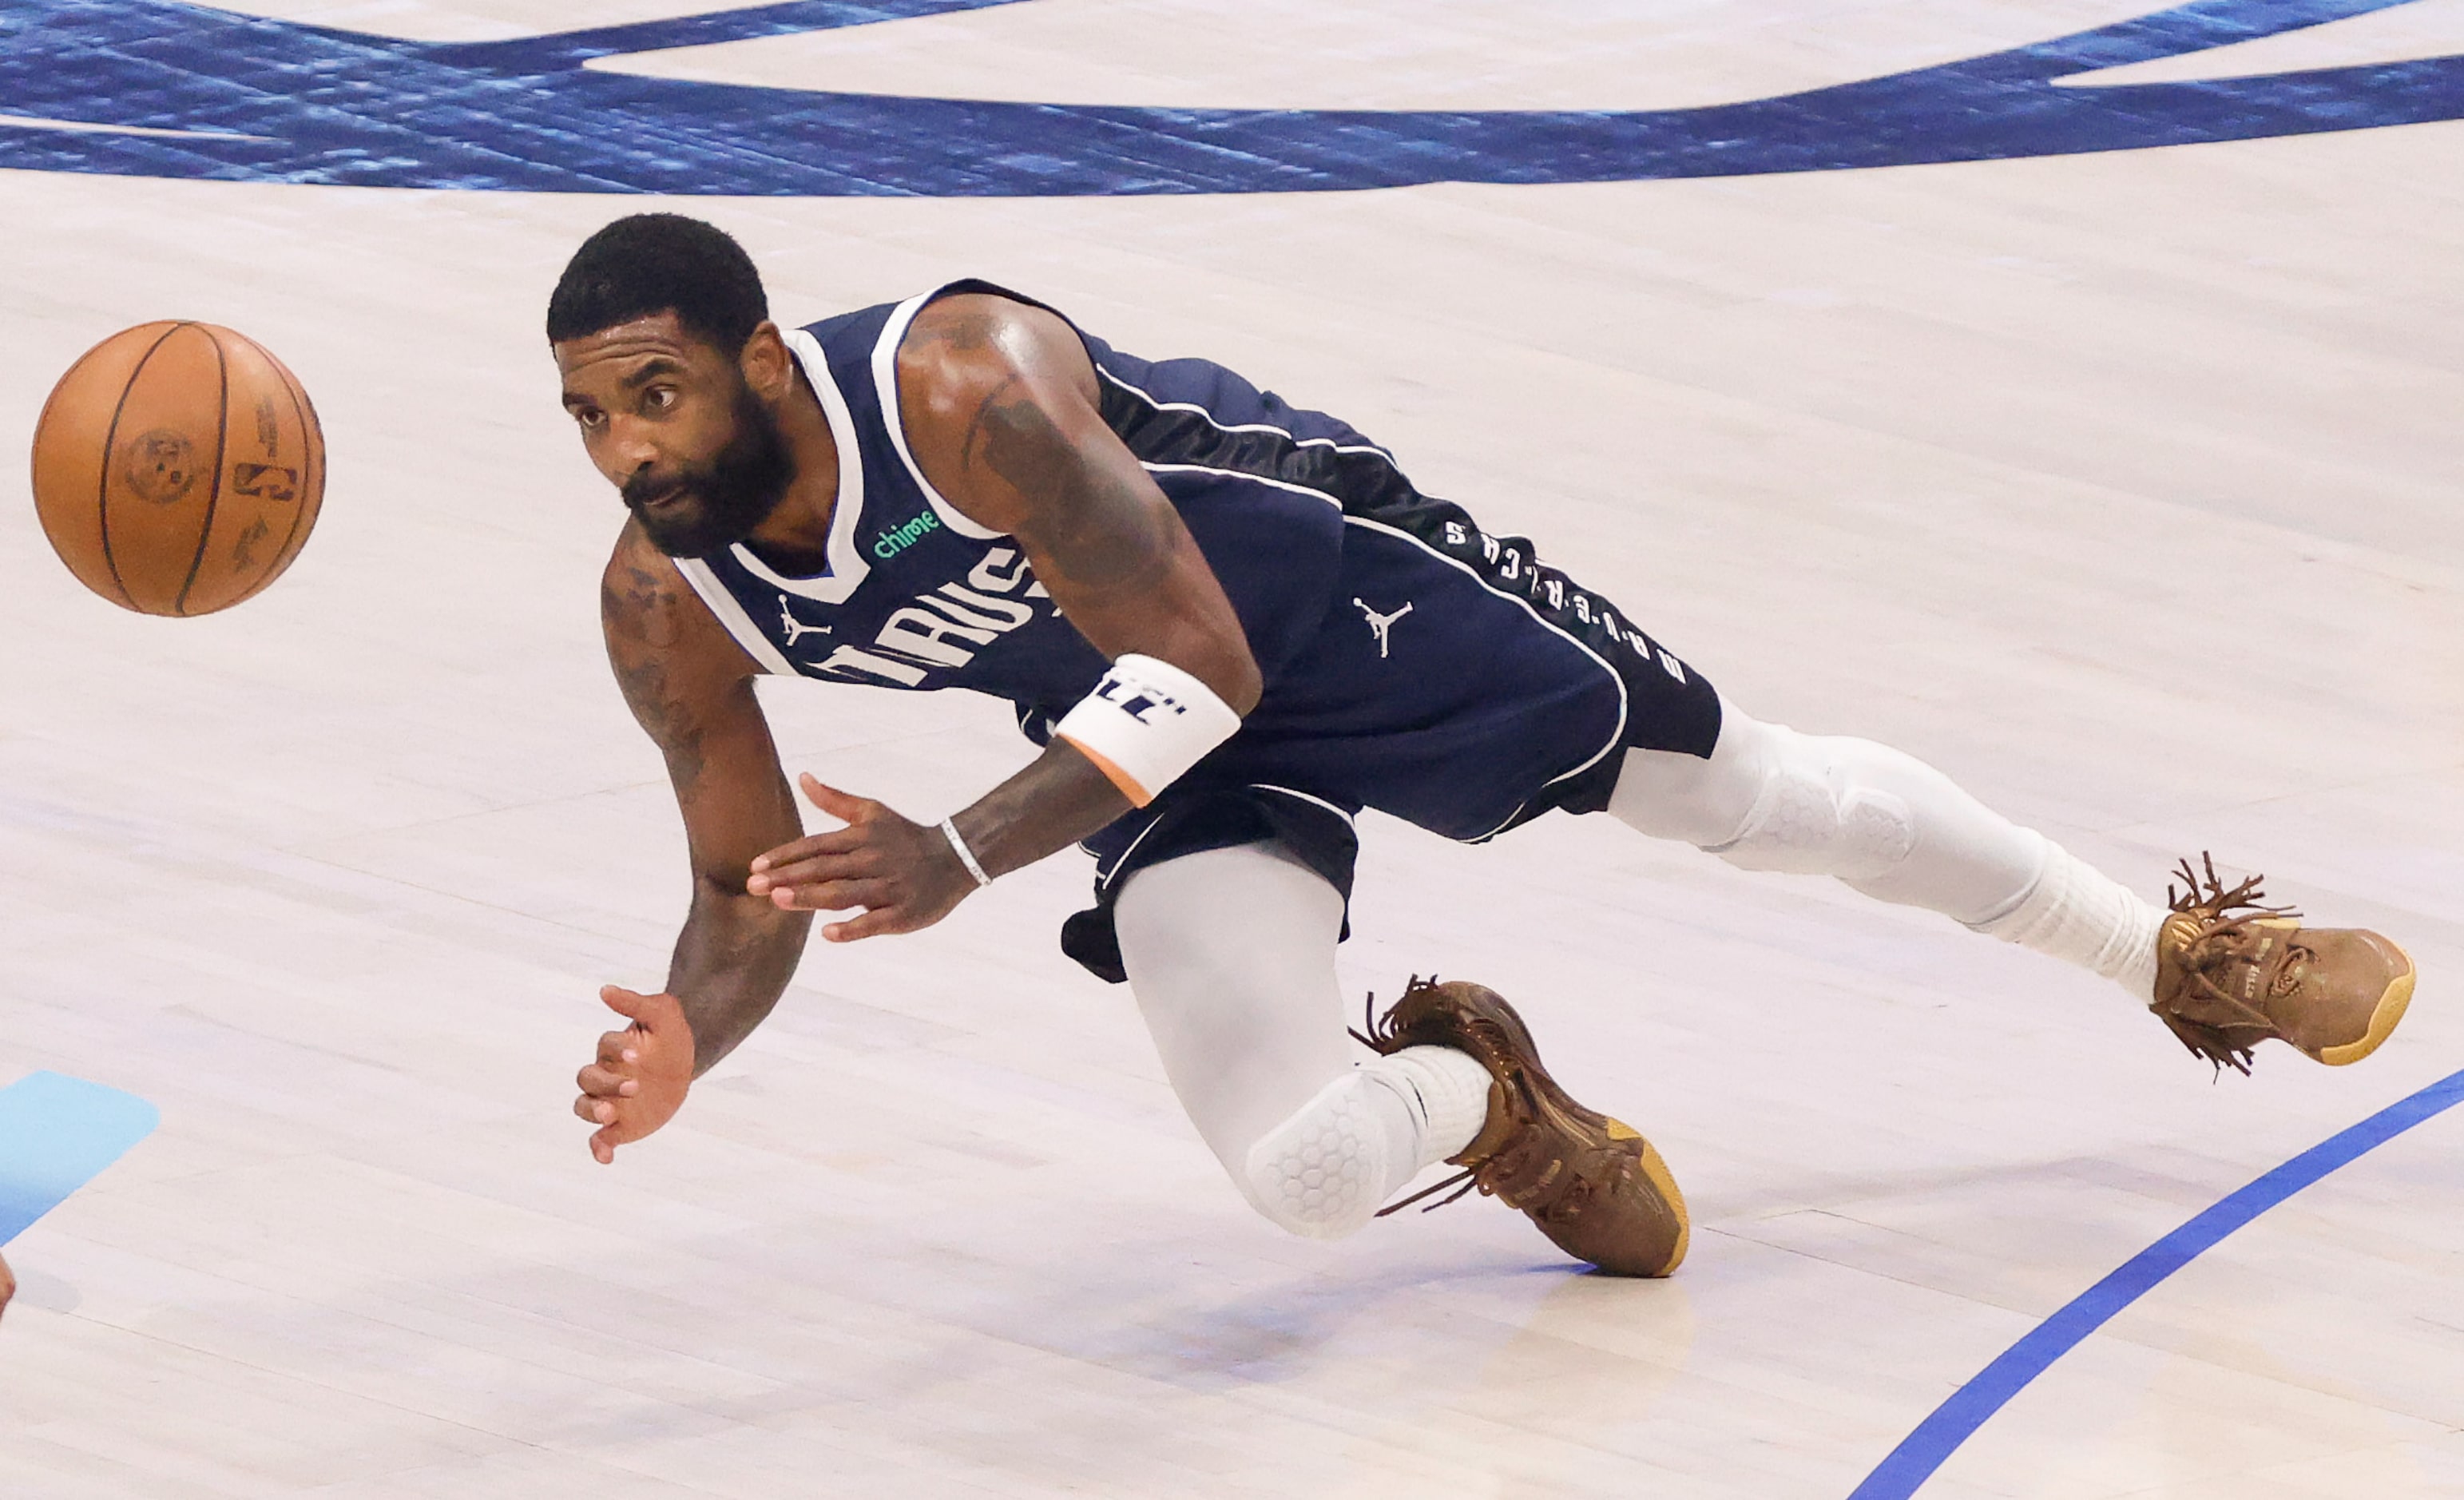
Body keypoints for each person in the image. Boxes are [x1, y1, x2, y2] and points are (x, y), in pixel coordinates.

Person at [552, 214, 2414, 1276]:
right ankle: (1493, 1096)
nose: (632, 445)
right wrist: (693, 1032)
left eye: (658, 390)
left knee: (1746, 795)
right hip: (1143, 735)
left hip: (1324, 594)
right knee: (1295, 1180)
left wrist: (961, 851)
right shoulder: (670, 603)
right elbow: (744, 880)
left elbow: (1195, 646)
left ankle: (2183, 957)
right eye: (590, 416)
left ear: (767, 362)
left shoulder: (962, 390)